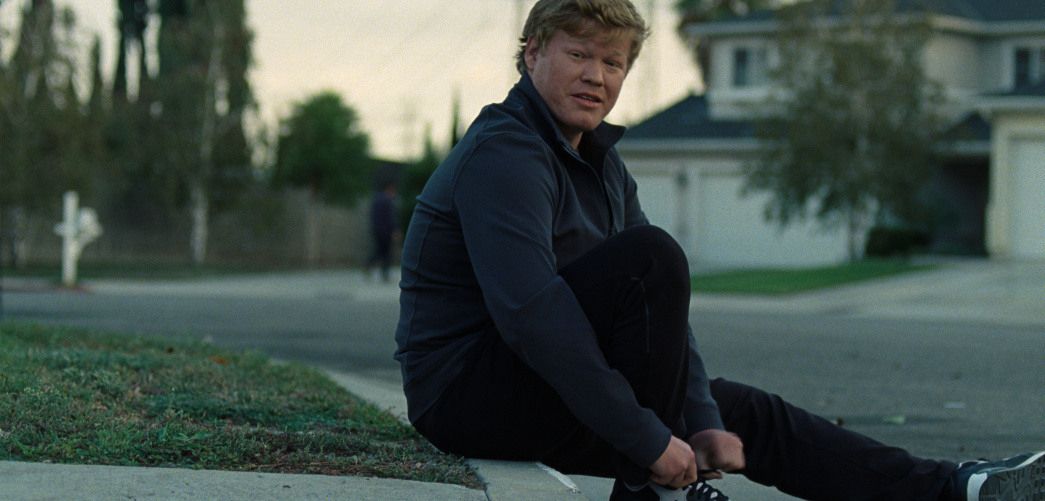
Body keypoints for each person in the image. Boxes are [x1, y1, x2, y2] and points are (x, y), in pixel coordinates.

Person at [393, 1, 1044, 499]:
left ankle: (954, 487)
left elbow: (660, 324)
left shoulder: (601, 164)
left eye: (614, 63)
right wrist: (648, 438)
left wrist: (700, 418)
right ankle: (651, 488)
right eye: (579, 54)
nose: (597, 75)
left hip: (530, 379)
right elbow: (533, 315)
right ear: (533, 52)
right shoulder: (505, 152)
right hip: (466, 393)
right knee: (651, 257)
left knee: (743, 414)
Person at [366, 180, 399, 283]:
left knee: (379, 251)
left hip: (377, 230)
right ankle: (385, 274)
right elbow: (390, 218)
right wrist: (395, 230)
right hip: (386, 231)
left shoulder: (376, 200)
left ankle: (369, 265)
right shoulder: (387, 201)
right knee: (386, 253)